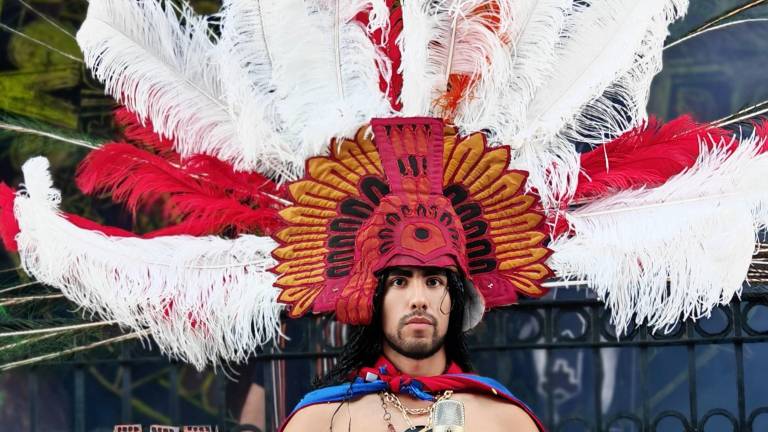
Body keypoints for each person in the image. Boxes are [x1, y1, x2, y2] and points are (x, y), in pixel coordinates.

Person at [271, 118, 552, 432]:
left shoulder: (507, 421)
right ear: (371, 296)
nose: (419, 300)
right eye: (399, 281)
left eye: (434, 281)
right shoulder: (318, 422)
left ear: (458, 299)